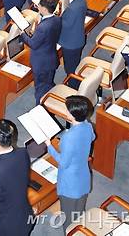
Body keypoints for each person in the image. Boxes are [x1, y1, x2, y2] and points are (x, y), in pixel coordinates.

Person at [47, 95, 95, 232]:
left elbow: (63, 162)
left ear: (72, 115)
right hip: (83, 176)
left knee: (68, 219)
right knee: (79, 212)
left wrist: (49, 146)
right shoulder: (88, 126)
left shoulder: (68, 137)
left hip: (70, 182)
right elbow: (92, 137)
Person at [21, 0, 61, 103]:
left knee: (40, 88)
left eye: (38, 5)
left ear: (43, 8)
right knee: (48, 82)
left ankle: (40, 107)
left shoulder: (43, 27)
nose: (37, 6)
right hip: (51, 56)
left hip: (41, 62)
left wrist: (23, 34)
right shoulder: (57, 19)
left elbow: (33, 44)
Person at [59, 0, 87, 74]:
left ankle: (73, 85)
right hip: (78, 38)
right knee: (75, 63)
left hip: (70, 43)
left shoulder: (72, 9)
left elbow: (63, 25)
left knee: (70, 69)